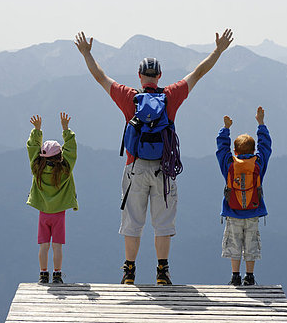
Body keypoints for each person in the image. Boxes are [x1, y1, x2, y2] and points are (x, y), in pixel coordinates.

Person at [74, 29, 234, 285]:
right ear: (159, 75)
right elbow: (198, 73)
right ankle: (162, 272)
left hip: (134, 166)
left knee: (132, 222)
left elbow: (100, 77)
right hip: (164, 170)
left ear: (139, 76)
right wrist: (218, 50)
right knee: (163, 223)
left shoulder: (129, 98)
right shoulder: (170, 96)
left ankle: (129, 272)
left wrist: (86, 53)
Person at [216, 107, 271, 286]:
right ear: (254, 150)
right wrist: (261, 124)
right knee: (250, 244)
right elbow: (266, 147)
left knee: (234, 244)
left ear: (235, 151)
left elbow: (221, 149)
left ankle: (235, 276)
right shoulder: (259, 163)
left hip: (233, 212)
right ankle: (249, 276)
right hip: (254, 211)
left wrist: (225, 129)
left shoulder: (229, 164)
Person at [26, 112, 77, 284]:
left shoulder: (37, 169)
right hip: (59, 214)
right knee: (57, 246)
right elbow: (71, 149)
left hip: (43, 213)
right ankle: (57, 275)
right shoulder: (65, 169)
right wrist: (66, 129)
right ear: (59, 156)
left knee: (44, 245)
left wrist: (37, 131)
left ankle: (42, 275)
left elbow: (32, 148)